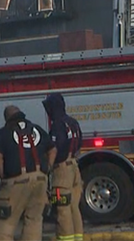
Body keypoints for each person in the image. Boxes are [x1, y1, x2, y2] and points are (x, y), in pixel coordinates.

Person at [0, 105, 52, 241]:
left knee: (6, 223)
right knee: (34, 222)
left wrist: (3, 177)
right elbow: (52, 149)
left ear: (6, 118)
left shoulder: (3, 132)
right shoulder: (37, 129)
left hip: (16, 181)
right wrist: (48, 168)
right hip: (40, 180)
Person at [43, 93, 83, 241]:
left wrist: (48, 167)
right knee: (74, 208)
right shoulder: (73, 122)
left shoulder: (57, 125)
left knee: (62, 209)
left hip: (62, 170)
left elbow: (55, 148)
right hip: (74, 166)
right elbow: (79, 144)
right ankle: (78, 238)